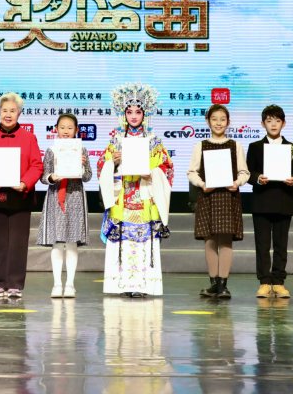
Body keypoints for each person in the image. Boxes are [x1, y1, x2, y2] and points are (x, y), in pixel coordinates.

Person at [98, 82, 173, 297]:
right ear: (123, 114)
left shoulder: (154, 142)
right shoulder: (116, 141)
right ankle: (122, 285)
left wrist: (152, 174)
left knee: (145, 243)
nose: (133, 116)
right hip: (122, 199)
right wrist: (113, 162)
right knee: (123, 241)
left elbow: (167, 168)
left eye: (138, 112)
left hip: (145, 198)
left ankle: (144, 286)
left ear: (144, 114)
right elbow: (102, 167)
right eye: (129, 112)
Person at [0, 92, 43, 299]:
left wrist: (25, 183)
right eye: (4, 110)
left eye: (12, 111)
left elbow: (36, 165)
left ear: (19, 113)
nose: (8, 114)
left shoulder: (29, 138)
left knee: (18, 243)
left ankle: (15, 285)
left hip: (21, 196)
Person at [187, 105, 250, 299]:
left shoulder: (235, 145)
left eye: (222, 119)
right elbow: (192, 172)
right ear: (208, 121)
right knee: (210, 240)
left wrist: (237, 183)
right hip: (208, 196)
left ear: (228, 122)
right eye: (214, 119)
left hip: (228, 196)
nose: (218, 123)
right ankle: (214, 283)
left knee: (226, 240)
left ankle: (223, 284)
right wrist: (202, 184)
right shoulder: (200, 145)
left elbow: (244, 172)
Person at [245, 104, 293, 299]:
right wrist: (257, 178)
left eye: (277, 121)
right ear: (263, 123)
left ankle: (278, 282)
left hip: (283, 200)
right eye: (269, 121)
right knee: (262, 244)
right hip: (261, 201)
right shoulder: (255, 147)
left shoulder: (292, 148)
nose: (273, 124)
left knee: (281, 244)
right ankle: (264, 281)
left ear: (283, 123)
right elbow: (248, 172)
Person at [38, 113, 92, 298]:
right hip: (55, 196)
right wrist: (52, 177)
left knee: (72, 241)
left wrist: (82, 166)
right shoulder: (51, 150)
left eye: (70, 128)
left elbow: (88, 176)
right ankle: (56, 284)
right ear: (56, 129)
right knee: (57, 241)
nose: (66, 131)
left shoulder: (82, 150)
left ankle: (70, 284)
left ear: (76, 130)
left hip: (75, 196)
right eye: (62, 127)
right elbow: (44, 177)